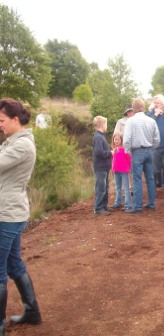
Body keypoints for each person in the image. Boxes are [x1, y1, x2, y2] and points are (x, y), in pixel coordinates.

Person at [0, 98, 42, 335]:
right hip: (11, 211)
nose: (0, 125)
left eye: (2, 121)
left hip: (7, 213)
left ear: (15, 120)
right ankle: (32, 312)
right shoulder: (13, 141)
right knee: (14, 264)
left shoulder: (21, 145)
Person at [124, 98, 160, 214]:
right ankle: (152, 203)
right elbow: (157, 139)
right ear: (143, 108)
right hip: (149, 151)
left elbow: (127, 139)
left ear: (133, 109)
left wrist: (128, 151)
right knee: (150, 178)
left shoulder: (131, 121)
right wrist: (151, 148)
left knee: (137, 179)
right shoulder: (151, 121)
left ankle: (137, 206)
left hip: (137, 152)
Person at [92, 116, 112, 216]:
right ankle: (98, 208)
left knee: (105, 187)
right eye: (106, 124)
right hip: (100, 167)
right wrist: (110, 152)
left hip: (104, 167)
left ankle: (104, 206)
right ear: (102, 125)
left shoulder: (100, 136)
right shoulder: (98, 137)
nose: (107, 126)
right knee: (101, 188)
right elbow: (99, 152)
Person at [111, 132, 132, 211]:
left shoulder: (124, 149)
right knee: (118, 187)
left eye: (118, 140)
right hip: (116, 171)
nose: (116, 141)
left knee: (126, 188)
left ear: (121, 140)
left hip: (124, 171)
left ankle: (128, 203)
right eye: (115, 139)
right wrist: (113, 168)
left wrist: (128, 168)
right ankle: (118, 202)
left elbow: (129, 159)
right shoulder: (114, 150)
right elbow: (113, 160)